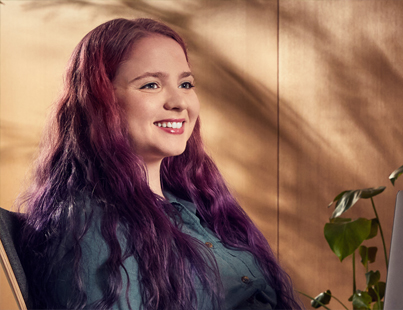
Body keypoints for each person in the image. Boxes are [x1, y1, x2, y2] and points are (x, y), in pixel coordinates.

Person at [18, 18, 302, 310]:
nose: (179, 101)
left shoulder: (194, 201)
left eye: (186, 83)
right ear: (100, 102)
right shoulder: (90, 224)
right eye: (151, 85)